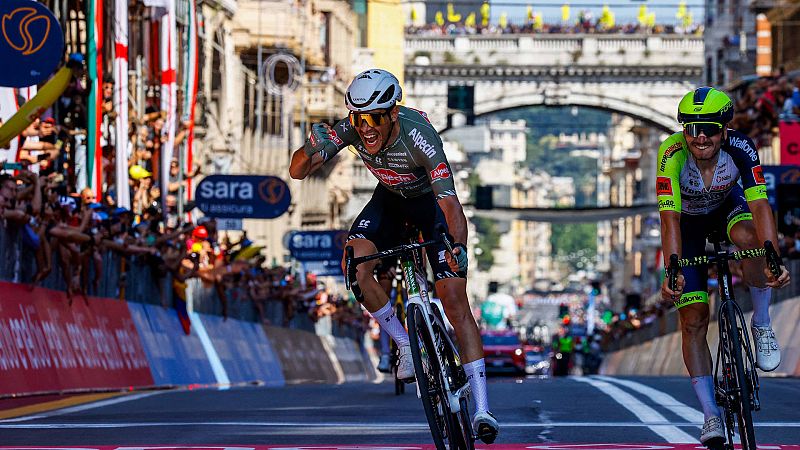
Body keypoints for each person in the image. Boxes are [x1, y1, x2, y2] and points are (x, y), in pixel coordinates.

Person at [289, 69, 499, 444]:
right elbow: (298, 171)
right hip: (389, 202)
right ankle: (403, 342)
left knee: (454, 300)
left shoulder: (420, 135)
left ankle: (482, 407)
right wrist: (309, 148)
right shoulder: (353, 128)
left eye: (374, 119)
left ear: (392, 113)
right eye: (358, 118)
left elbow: (450, 205)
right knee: (354, 265)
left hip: (428, 206)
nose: (365, 129)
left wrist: (458, 248)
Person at [657, 87, 791, 446]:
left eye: (710, 128)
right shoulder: (670, 154)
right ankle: (711, 416)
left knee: (750, 240)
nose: (701, 136)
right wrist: (673, 268)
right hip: (687, 225)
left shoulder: (742, 149)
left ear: (725, 130)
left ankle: (761, 323)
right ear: (683, 131)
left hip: (727, 209)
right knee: (694, 320)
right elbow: (669, 219)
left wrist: (772, 257)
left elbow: (761, 206)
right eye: (692, 128)